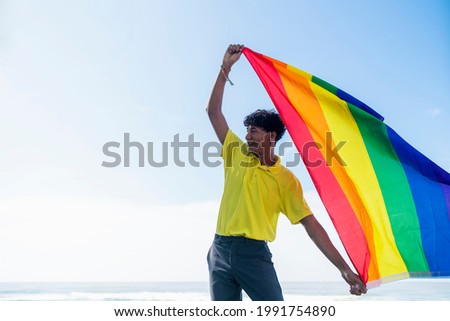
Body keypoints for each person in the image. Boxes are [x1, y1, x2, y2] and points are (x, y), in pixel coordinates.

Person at [205, 44, 367, 301]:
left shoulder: (286, 180)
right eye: (247, 130)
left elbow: (311, 225)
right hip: (219, 250)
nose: (247, 136)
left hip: (254, 254)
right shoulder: (236, 152)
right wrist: (225, 67)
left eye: (253, 131)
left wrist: (343, 268)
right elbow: (213, 112)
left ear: (270, 136)